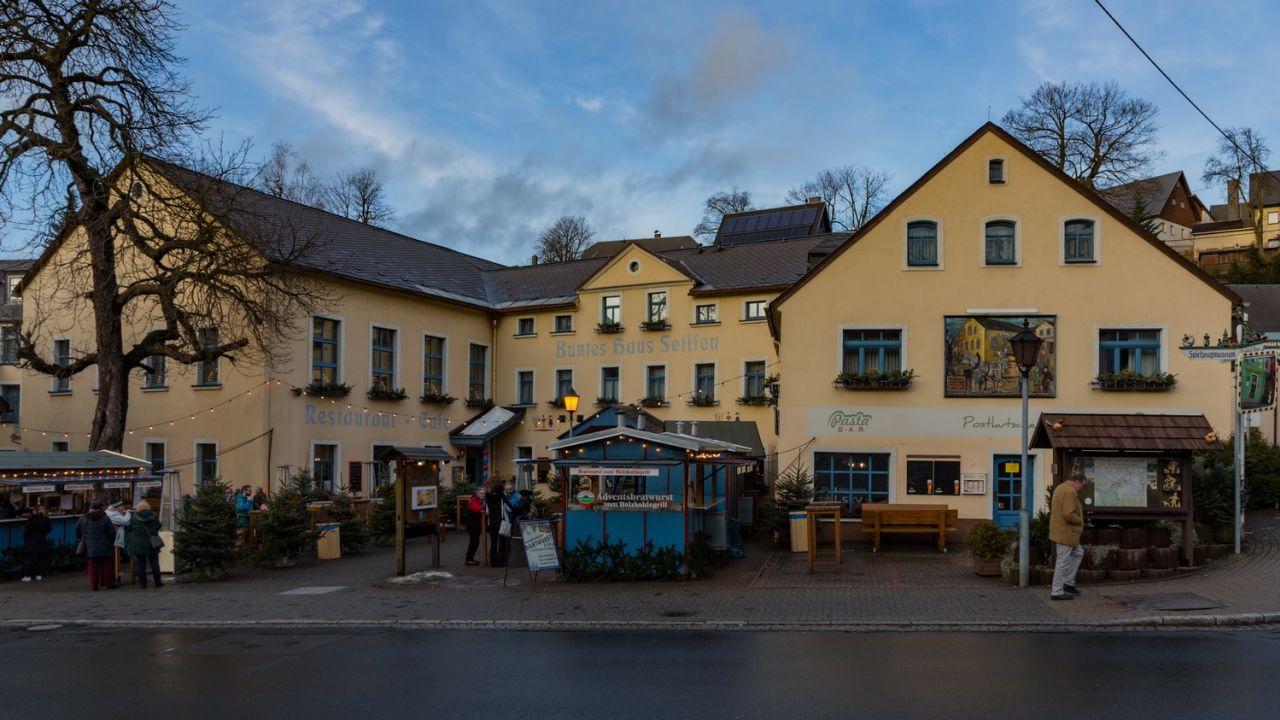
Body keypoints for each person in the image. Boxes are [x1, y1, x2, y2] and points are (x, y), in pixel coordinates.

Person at [1050, 470, 1087, 601]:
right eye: (1081, 485)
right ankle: (1057, 591)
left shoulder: (1060, 487)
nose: (1081, 488)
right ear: (1077, 482)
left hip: (1061, 531)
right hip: (1067, 532)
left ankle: (1068, 583)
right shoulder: (1070, 492)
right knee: (1062, 561)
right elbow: (1068, 513)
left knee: (1078, 553)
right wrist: (1080, 520)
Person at [76, 501, 118, 591]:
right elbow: (112, 533)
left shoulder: (83, 519)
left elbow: (77, 532)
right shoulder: (105, 518)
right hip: (105, 546)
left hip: (90, 546)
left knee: (92, 566)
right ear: (100, 508)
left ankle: (94, 585)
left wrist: (83, 540)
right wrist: (111, 543)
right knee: (107, 565)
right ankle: (108, 583)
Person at [125, 500, 163, 588]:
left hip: (138, 543)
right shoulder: (154, 516)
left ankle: (143, 583)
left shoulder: (134, 518)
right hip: (152, 543)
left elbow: (130, 528)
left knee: (141, 563)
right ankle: (157, 582)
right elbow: (158, 526)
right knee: (154, 562)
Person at [21, 504, 52, 582]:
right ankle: (38, 575)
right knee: (40, 558)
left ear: (35, 510)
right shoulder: (46, 519)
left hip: (31, 541)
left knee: (29, 559)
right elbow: (49, 529)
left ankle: (28, 575)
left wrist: (26, 537)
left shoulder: (31, 519)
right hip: (41, 540)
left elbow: (26, 531)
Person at [105, 500, 131, 584]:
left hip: (114, 540)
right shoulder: (111, 515)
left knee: (114, 561)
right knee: (113, 561)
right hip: (114, 541)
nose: (123, 508)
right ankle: (114, 578)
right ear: (117, 507)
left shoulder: (112, 513)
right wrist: (128, 513)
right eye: (122, 506)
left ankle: (115, 577)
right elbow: (125, 521)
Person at [486, 481, 509, 567]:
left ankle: (493, 562)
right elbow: (509, 507)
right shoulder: (502, 497)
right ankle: (501, 562)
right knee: (502, 543)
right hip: (501, 522)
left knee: (493, 543)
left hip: (492, 522)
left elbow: (487, 510)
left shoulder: (488, 497)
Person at [463, 486, 486, 566]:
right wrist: (485, 506)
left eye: (483, 493)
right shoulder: (473, 500)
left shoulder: (478, 500)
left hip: (474, 524)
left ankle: (470, 558)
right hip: (472, 525)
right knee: (474, 542)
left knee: (475, 542)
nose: (483, 495)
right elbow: (476, 509)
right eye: (481, 493)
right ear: (477, 493)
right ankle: (469, 559)